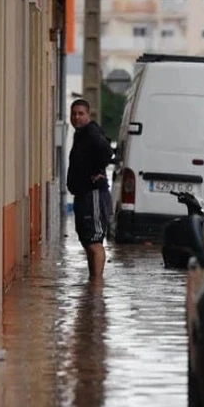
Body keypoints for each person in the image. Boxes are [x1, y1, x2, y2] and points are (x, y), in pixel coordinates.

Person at [67, 98, 114, 280]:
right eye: (74, 114)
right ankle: (92, 282)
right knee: (87, 240)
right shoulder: (81, 134)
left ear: (88, 115)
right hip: (82, 195)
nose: (76, 117)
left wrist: (96, 172)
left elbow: (106, 151)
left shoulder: (91, 132)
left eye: (80, 113)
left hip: (93, 194)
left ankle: (96, 284)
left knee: (94, 241)